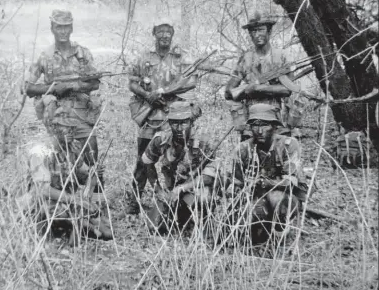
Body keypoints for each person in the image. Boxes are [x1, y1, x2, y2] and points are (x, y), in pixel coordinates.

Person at [126, 18, 202, 214]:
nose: (164, 35)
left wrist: (165, 92)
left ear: (173, 34)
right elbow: (132, 83)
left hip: (174, 116)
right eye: (160, 31)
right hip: (150, 115)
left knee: (176, 157)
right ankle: (134, 200)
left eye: (168, 31)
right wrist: (148, 96)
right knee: (143, 156)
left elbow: (192, 81)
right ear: (154, 33)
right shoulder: (144, 58)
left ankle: (174, 198)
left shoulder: (181, 58)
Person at [205, 103, 308, 245]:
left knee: (276, 197)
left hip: (286, 199)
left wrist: (266, 183)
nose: (259, 131)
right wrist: (231, 194)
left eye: (265, 125)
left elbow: (291, 182)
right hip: (256, 198)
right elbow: (237, 181)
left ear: (274, 126)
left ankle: (280, 235)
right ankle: (258, 232)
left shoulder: (288, 145)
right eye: (255, 125)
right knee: (237, 230)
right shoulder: (243, 148)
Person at [24, 9, 102, 187]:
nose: (63, 31)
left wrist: (73, 86)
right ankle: (63, 195)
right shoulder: (45, 56)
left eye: (66, 27)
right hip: (56, 116)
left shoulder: (83, 53)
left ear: (72, 28)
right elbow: (28, 87)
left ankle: (97, 200)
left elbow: (95, 82)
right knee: (59, 158)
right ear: (52, 28)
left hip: (82, 113)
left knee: (92, 154)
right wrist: (53, 88)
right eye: (59, 27)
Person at [17, 114, 113, 247]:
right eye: (66, 129)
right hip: (43, 200)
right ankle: (74, 228)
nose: (71, 133)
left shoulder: (71, 146)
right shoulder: (40, 153)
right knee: (81, 218)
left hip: (67, 198)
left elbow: (83, 169)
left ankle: (82, 226)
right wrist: (74, 200)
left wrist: (93, 171)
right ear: (53, 129)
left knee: (106, 233)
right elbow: (43, 190)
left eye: (73, 129)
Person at [137, 101, 217, 234]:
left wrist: (182, 188)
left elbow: (209, 177)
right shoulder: (161, 138)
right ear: (169, 123)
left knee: (204, 199)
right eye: (175, 123)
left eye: (184, 123)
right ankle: (178, 216)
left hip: (194, 188)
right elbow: (147, 162)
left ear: (191, 122)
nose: (179, 128)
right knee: (154, 227)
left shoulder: (204, 140)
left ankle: (199, 222)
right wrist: (158, 190)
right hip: (171, 189)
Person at [224, 11, 304, 140]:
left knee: (279, 154)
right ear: (250, 34)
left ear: (269, 31)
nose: (257, 35)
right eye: (253, 31)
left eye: (261, 30)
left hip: (278, 118)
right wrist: (246, 90)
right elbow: (228, 92)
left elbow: (289, 89)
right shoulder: (246, 58)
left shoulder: (281, 56)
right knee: (249, 156)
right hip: (251, 120)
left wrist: (259, 88)